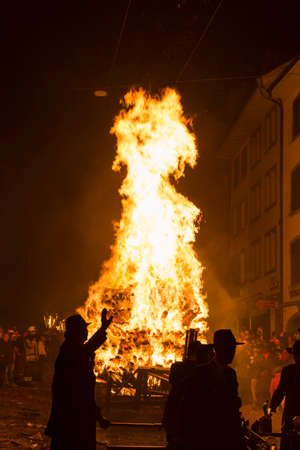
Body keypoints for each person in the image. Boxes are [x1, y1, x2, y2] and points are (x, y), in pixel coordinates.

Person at [45, 309, 112, 450]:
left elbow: (87, 349)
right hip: (73, 419)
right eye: (84, 329)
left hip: (73, 416)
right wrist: (98, 416)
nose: (86, 332)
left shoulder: (71, 349)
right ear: (77, 332)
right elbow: (83, 393)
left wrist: (103, 328)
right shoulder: (71, 352)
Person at [180, 329, 246, 450]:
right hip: (206, 435)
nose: (232, 352)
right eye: (228, 349)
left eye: (233, 349)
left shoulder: (230, 374)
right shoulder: (200, 373)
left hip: (226, 436)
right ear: (218, 350)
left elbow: (233, 407)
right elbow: (190, 406)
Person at [270, 339, 300, 450]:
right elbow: (281, 390)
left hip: (290, 412)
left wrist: (273, 406)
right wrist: (272, 406)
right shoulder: (288, 370)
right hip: (290, 413)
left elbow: (280, 391)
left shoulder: (288, 370)